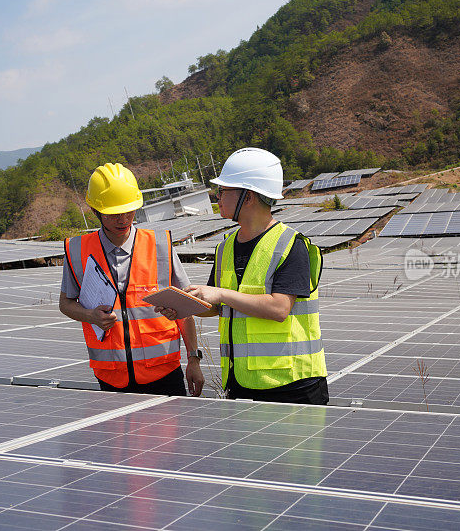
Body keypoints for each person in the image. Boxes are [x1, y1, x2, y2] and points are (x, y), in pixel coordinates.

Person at [185, 148, 328, 404]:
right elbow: (218, 306)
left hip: (292, 385)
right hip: (242, 382)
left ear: (247, 197)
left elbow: (279, 308)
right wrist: (185, 305)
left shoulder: (291, 244)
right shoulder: (225, 247)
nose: (216, 197)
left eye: (223, 191)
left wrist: (220, 294)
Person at [59, 162, 205, 397]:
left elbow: (184, 307)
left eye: (129, 210)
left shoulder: (160, 245)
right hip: (111, 378)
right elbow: (65, 303)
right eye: (114, 214)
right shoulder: (77, 251)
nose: (123, 218)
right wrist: (90, 316)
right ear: (96, 210)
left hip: (164, 374)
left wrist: (193, 359)